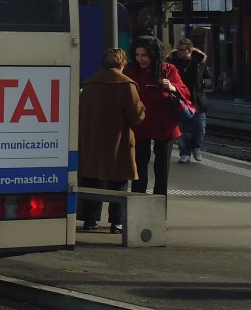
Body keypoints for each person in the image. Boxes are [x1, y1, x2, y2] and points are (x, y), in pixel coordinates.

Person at [77, 48, 145, 233]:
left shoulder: (90, 84)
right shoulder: (126, 85)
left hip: (92, 140)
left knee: (92, 178)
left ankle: (90, 220)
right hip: (118, 140)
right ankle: (117, 221)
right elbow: (136, 116)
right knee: (119, 180)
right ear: (122, 63)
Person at [124, 36, 193, 199]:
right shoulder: (131, 71)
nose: (140, 59)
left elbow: (186, 92)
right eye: (137, 55)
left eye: (144, 55)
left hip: (165, 126)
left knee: (162, 170)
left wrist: (172, 87)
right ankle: (139, 205)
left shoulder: (169, 70)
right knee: (139, 169)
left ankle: (159, 208)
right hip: (140, 125)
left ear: (154, 55)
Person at [167, 38, 210, 163]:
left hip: (197, 101)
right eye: (178, 49)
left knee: (200, 128)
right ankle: (185, 152)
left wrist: (204, 82)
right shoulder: (172, 63)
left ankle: (196, 147)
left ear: (190, 50)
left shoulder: (199, 63)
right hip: (180, 101)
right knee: (182, 129)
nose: (179, 52)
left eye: (182, 50)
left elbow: (209, 79)